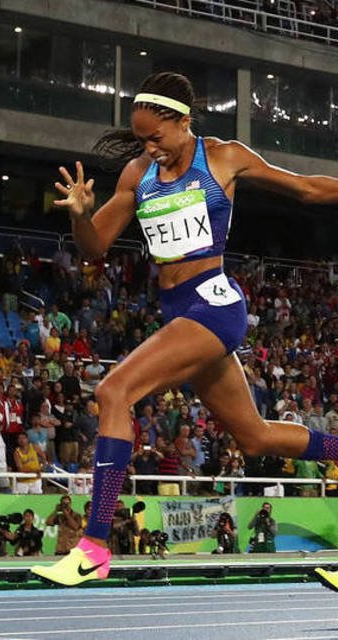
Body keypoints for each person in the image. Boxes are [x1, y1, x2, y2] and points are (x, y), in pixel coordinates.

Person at [29, 71, 338, 587]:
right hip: (180, 314)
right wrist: (81, 216)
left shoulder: (223, 157)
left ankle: (94, 547)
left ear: (184, 121)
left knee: (113, 391)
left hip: (214, 306)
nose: (151, 148)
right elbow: (94, 246)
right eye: (142, 139)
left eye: (157, 137)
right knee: (254, 436)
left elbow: (305, 189)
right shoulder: (137, 173)